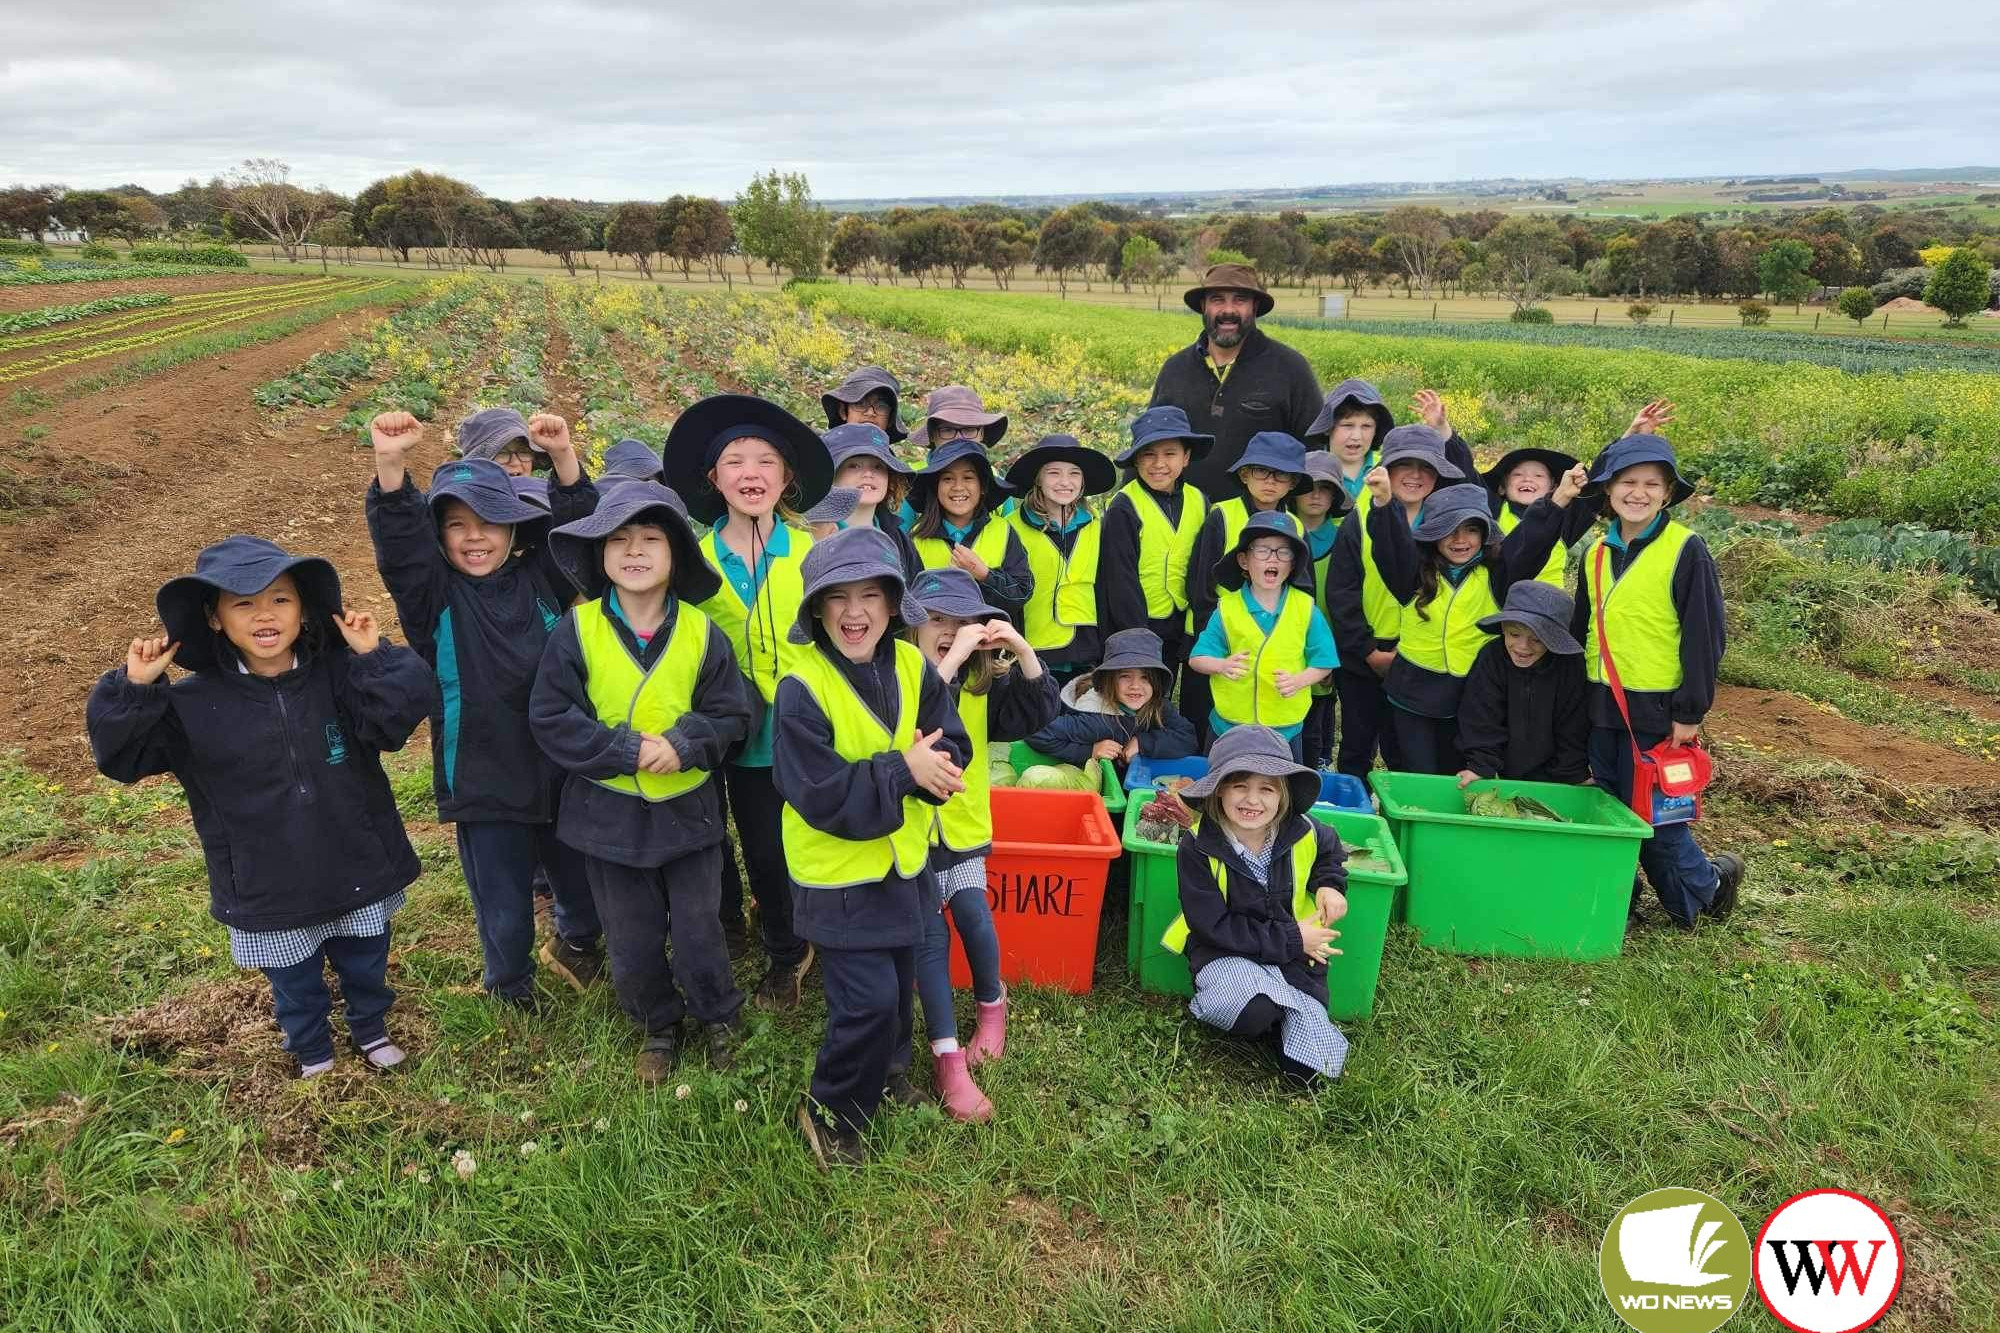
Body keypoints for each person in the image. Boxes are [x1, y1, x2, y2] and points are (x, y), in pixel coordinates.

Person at [87, 537, 435, 1077]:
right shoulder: (190, 704)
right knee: (292, 976)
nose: (264, 614)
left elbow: (398, 719)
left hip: (355, 858)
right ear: (215, 619)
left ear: (303, 612)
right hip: (265, 875)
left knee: (365, 957)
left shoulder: (341, 676)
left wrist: (374, 657)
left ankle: (370, 1027)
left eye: (280, 599)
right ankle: (312, 1048)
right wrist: (134, 689)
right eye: (243, 603)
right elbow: (122, 757)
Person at [365, 411, 605, 1010]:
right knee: (502, 899)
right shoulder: (433, 599)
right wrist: (391, 465)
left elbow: (581, 530)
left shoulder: (542, 578)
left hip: (560, 760)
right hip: (484, 773)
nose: (475, 537)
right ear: (440, 537)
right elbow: (399, 550)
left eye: (491, 523)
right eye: (457, 525)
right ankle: (509, 984)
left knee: (577, 874)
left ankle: (577, 943)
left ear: (515, 531)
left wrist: (565, 459)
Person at [531, 483, 757, 1084]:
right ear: (600, 556)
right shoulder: (576, 631)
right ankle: (658, 1025)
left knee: (698, 927)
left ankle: (718, 1017)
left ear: (676, 555)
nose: (635, 551)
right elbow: (552, 718)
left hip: (689, 814)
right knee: (630, 936)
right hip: (609, 818)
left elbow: (733, 713)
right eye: (619, 540)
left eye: (651, 538)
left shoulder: (703, 634)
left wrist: (684, 744)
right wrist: (625, 750)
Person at [771, 528, 971, 1168]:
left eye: (870, 596)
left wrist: (937, 771)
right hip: (838, 876)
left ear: (892, 606)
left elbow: (951, 743)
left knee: (900, 980)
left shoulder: (914, 667)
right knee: (868, 999)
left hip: (904, 864)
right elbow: (819, 792)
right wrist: (903, 771)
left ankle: (885, 1075)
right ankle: (830, 1108)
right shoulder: (801, 688)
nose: (854, 613)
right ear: (817, 610)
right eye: (838, 598)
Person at [662, 393, 835, 1006]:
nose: (751, 474)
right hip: (714, 729)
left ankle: (790, 949)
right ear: (714, 479)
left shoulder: (814, 554)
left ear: (787, 478)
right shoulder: (692, 563)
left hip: (792, 731)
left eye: (766, 461)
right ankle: (730, 927)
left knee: (770, 844)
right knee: (711, 839)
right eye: (735, 462)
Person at [892, 567, 1060, 1121]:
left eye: (962, 621)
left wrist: (1023, 649)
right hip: (910, 833)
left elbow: (1040, 714)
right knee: (927, 938)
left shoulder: (982, 685)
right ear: (912, 627)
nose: (950, 629)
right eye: (937, 619)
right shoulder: (894, 676)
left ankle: (992, 1007)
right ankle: (946, 1056)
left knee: (972, 915)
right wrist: (945, 661)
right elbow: (910, 712)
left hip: (962, 829)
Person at [1569, 433, 1746, 929]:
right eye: (1627, 482)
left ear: (1667, 494)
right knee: (1606, 810)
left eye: (1652, 484)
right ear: (1609, 492)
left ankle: (1705, 889)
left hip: (1658, 709)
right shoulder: (1596, 554)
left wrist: (1690, 712)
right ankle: (1619, 902)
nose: (1638, 492)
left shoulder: (1685, 549)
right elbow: (1583, 624)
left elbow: (1704, 635)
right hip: (1602, 702)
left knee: (1657, 820)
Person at [1159, 725, 1350, 1085]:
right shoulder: (1197, 846)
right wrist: (1295, 938)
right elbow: (1212, 925)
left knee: (1311, 1075)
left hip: (1295, 959)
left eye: (1267, 788)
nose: (1252, 800)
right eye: (1239, 786)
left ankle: (1291, 1016)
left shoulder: (1305, 829)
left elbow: (1331, 852)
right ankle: (1270, 1010)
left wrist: (1330, 886)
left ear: (1283, 796)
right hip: (1227, 951)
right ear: (1218, 791)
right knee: (1253, 1012)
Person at [1363, 470, 1582, 776]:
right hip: (1412, 697)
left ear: (1484, 534)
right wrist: (1385, 501)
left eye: (1471, 529)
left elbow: (1530, 541)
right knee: (1415, 775)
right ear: (1433, 535)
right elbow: (1390, 545)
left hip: (1471, 699)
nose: (1460, 540)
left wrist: (1558, 499)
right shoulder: (1412, 574)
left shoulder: (1497, 574)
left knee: (1459, 780)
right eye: (1448, 530)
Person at [1321, 425, 1462, 780]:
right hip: (1366, 656)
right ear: (1387, 469)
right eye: (1405, 465)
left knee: (1408, 750)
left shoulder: (1450, 524)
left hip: (1421, 658)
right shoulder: (1360, 517)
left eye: (1426, 467)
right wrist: (1368, 650)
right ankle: (1356, 818)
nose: (1415, 476)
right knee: (1357, 744)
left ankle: (1405, 820)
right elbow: (1342, 591)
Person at [1147, 263, 1321, 502]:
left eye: (1239, 300)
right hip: (1182, 522)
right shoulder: (1175, 369)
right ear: (1203, 306)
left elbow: (1313, 451)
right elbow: (1148, 442)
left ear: (1254, 307)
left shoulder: (1291, 368)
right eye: (1217, 300)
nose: (1228, 310)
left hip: (1259, 528)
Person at [1182, 431, 1316, 742]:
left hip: (1273, 645)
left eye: (1281, 474)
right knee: (1207, 716)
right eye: (1261, 471)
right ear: (1245, 474)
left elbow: (1303, 590)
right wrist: (1213, 641)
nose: (1270, 481)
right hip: (1219, 638)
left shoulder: (1295, 527)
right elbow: (1201, 584)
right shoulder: (1223, 515)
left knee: (1262, 720)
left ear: (1293, 483)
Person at [1187, 512, 1338, 760]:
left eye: (1283, 552)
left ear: (1292, 565)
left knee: (1282, 793)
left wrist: (1300, 681)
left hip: (1285, 728)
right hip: (1229, 727)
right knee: (1222, 789)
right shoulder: (1227, 609)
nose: (1273, 558)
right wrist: (1221, 665)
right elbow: (1197, 658)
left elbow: (1324, 661)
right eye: (1263, 551)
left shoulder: (1305, 608)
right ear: (1244, 561)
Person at [1097, 406, 1212, 678]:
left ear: (1186, 457)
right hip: (1140, 620)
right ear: (1136, 460)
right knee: (1144, 690)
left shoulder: (1200, 500)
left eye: (1170, 454)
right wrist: (1138, 635)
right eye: (1148, 454)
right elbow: (1120, 578)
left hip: (1183, 618)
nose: (1159, 464)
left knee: (1170, 686)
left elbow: (1202, 564)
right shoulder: (1124, 506)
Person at [1453, 581, 1591, 787]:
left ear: (1554, 640)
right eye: (1514, 634)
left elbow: (1574, 725)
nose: (1522, 647)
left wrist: (1573, 772)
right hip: (1506, 766)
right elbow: (1481, 716)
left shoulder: (1571, 667)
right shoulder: (1491, 657)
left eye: (1536, 639)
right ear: (1503, 627)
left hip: (1556, 771)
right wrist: (1481, 765)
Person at [1004, 433, 1114, 683]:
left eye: (1074, 473)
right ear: (1038, 479)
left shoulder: (1098, 525)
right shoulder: (1009, 527)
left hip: (1087, 646)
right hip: (1034, 645)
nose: (1065, 482)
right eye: (1054, 473)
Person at [1026, 628, 1199, 769]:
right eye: (1125, 676)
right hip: (1098, 785)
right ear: (1109, 680)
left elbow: (1188, 737)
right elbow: (1036, 732)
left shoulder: (1157, 707)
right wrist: (1089, 751)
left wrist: (1142, 743)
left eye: (1145, 677)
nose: (1135, 686)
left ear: (1156, 682)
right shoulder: (1096, 721)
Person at [906, 437, 1032, 628]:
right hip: (934, 651)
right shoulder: (916, 538)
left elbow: (1022, 593)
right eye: (947, 479)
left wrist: (984, 575)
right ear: (936, 487)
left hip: (991, 649)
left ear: (982, 487)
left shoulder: (1003, 531)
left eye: (968, 478)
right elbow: (906, 602)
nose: (958, 487)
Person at [1293, 452, 1352, 770]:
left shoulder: (1345, 535)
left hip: (1330, 636)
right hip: (1289, 638)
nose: (1316, 495)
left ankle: (1320, 760)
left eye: (1325, 488)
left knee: (1322, 703)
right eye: (1309, 486)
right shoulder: (1281, 533)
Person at [822, 422, 919, 577]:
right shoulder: (810, 533)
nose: (868, 473)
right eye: (853, 465)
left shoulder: (899, 539)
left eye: (878, 466)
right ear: (831, 476)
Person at [1303, 379, 1394, 509]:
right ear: (1328, 427)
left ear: (1376, 430)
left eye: (1366, 426)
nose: (1356, 436)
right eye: (1347, 425)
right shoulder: (1307, 470)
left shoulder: (1388, 469)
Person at [822, 365, 908, 443]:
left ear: (890, 418)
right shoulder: (823, 453)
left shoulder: (889, 460)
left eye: (881, 406)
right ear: (843, 411)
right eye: (860, 404)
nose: (870, 413)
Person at [457, 407, 545, 478]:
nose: (516, 463)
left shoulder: (544, 497)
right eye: (502, 453)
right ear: (477, 467)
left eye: (524, 452)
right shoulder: (457, 499)